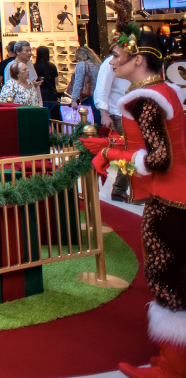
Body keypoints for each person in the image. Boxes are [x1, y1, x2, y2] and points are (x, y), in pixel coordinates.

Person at [101, 31, 186, 378]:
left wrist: (115, 155)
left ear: (138, 59)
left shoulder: (146, 100)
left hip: (170, 200)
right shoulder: (165, 92)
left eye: (117, 55)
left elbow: (159, 158)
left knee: (167, 277)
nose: (112, 61)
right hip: (177, 194)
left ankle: (172, 366)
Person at [94, 43, 130, 134]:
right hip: (117, 114)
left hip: (130, 113)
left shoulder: (131, 62)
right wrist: (104, 115)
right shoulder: (109, 62)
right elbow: (102, 88)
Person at [69, 46, 102, 123]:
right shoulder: (98, 64)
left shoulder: (82, 64)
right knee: (98, 121)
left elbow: (78, 82)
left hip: (88, 97)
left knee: (88, 121)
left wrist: (74, 99)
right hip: (98, 96)